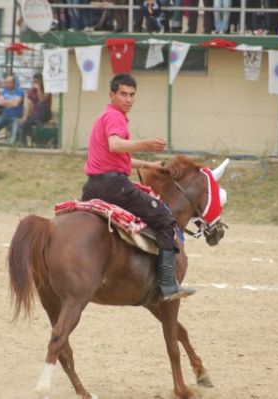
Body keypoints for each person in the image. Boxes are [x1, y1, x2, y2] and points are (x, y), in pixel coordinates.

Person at [81, 73, 195, 302]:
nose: (128, 99)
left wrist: (148, 164)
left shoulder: (104, 116)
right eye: (123, 94)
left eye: (132, 95)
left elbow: (114, 157)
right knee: (164, 218)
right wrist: (147, 143)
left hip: (92, 188)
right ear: (112, 95)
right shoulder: (115, 117)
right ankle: (167, 284)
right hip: (115, 187)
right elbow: (115, 145)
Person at [0, 75, 24, 145]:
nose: (7, 84)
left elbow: (16, 104)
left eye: (9, 83)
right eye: (6, 82)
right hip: (4, 115)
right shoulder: (4, 91)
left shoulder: (20, 91)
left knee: (14, 135)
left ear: (14, 83)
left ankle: (11, 146)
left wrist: (6, 102)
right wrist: (11, 102)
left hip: (16, 117)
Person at [18, 73, 52, 146]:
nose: (35, 83)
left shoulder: (47, 90)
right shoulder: (31, 91)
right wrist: (25, 117)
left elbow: (42, 99)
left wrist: (39, 89)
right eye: (34, 82)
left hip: (45, 113)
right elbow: (28, 105)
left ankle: (35, 121)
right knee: (23, 123)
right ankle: (23, 143)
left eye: (37, 82)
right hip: (35, 115)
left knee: (40, 104)